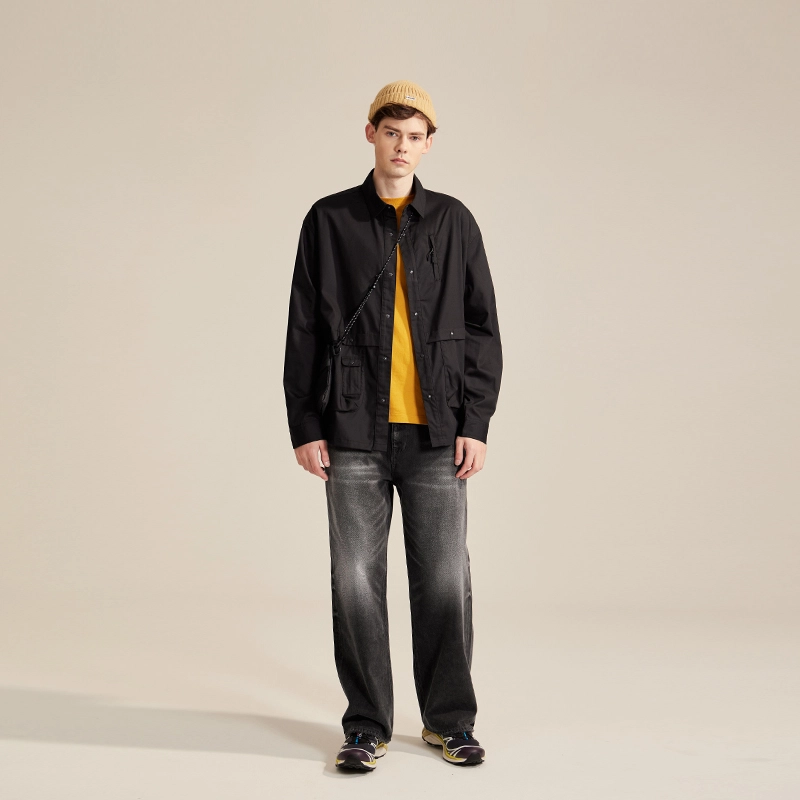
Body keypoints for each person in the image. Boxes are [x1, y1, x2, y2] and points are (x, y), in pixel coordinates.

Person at [282, 80, 502, 771]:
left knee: (444, 580)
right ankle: (366, 727)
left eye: (414, 137)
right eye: (391, 133)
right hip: (352, 430)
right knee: (354, 580)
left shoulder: (454, 221)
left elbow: (481, 326)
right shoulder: (329, 220)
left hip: (438, 432)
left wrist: (476, 421)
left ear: (428, 144)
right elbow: (304, 326)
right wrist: (304, 422)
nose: (401, 147)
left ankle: (449, 722)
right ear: (371, 135)